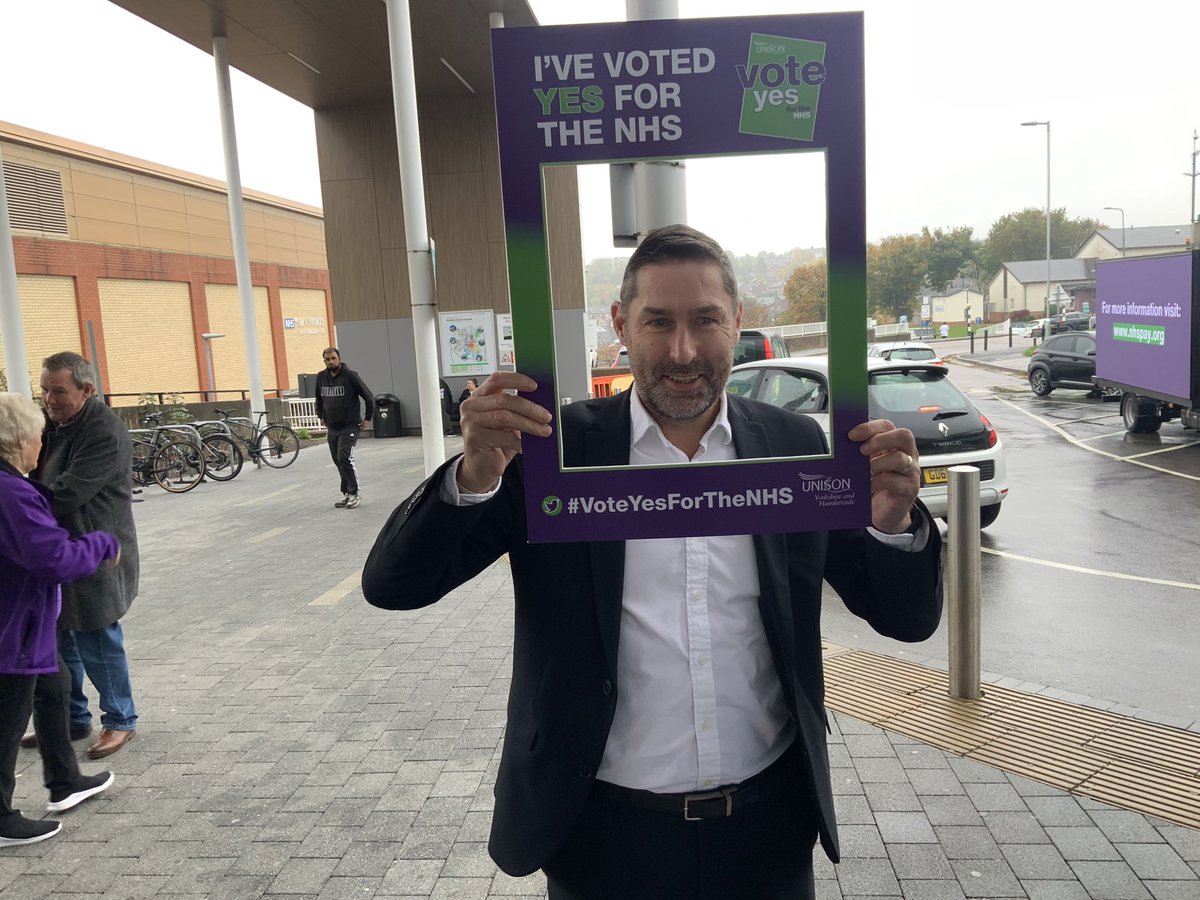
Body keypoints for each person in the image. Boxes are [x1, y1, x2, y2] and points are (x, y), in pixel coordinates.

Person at [363, 225, 943, 899]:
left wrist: (894, 523)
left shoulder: (791, 446)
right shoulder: (552, 454)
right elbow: (394, 585)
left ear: (738, 322)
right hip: (603, 841)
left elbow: (906, 619)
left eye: (706, 321)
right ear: (620, 325)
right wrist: (474, 472)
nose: (682, 350)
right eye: (657, 322)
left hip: (767, 836)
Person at [1, 392, 118, 846]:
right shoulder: (11, 493)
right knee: (6, 722)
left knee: (54, 684)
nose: (40, 446)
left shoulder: (13, 487)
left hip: (27, 624)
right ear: (18, 440)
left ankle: (64, 781)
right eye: (37, 437)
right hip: (14, 629)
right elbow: (54, 560)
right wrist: (102, 544)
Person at [33, 352, 140, 761]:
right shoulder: (56, 424)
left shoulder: (102, 431)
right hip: (59, 548)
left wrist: (17, 506)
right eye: (44, 389)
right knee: (59, 637)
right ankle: (73, 719)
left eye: (58, 390)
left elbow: (68, 491)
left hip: (98, 550)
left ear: (86, 389)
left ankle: (120, 720)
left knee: (97, 634)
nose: (49, 398)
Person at [315, 348, 373, 509]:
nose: (331, 361)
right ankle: (347, 493)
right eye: (328, 359)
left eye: (333, 358)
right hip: (332, 427)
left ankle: (355, 493)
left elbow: (368, 396)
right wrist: (321, 416)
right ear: (324, 361)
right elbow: (318, 398)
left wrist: (368, 418)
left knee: (344, 457)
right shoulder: (321, 377)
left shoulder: (350, 376)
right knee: (337, 460)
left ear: (339, 358)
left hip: (350, 425)